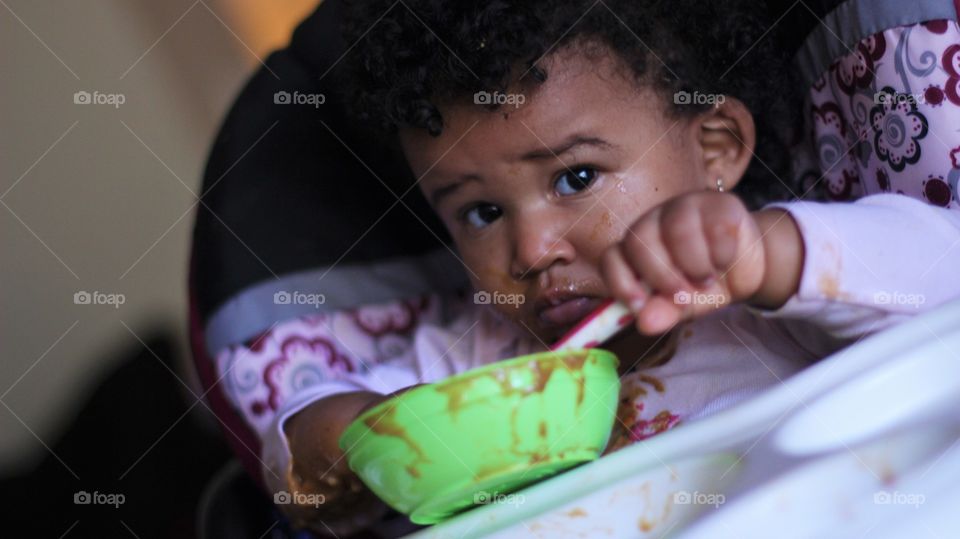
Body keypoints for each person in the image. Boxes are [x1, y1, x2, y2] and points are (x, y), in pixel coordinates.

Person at [199, 1, 960, 536]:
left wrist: (770, 254)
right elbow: (317, 461)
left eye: (575, 179)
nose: (532, 251)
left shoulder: (770, 301)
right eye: (481, 213)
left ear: (717, 146)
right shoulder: (477, 369)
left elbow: (941, 291)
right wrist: (333, 437)